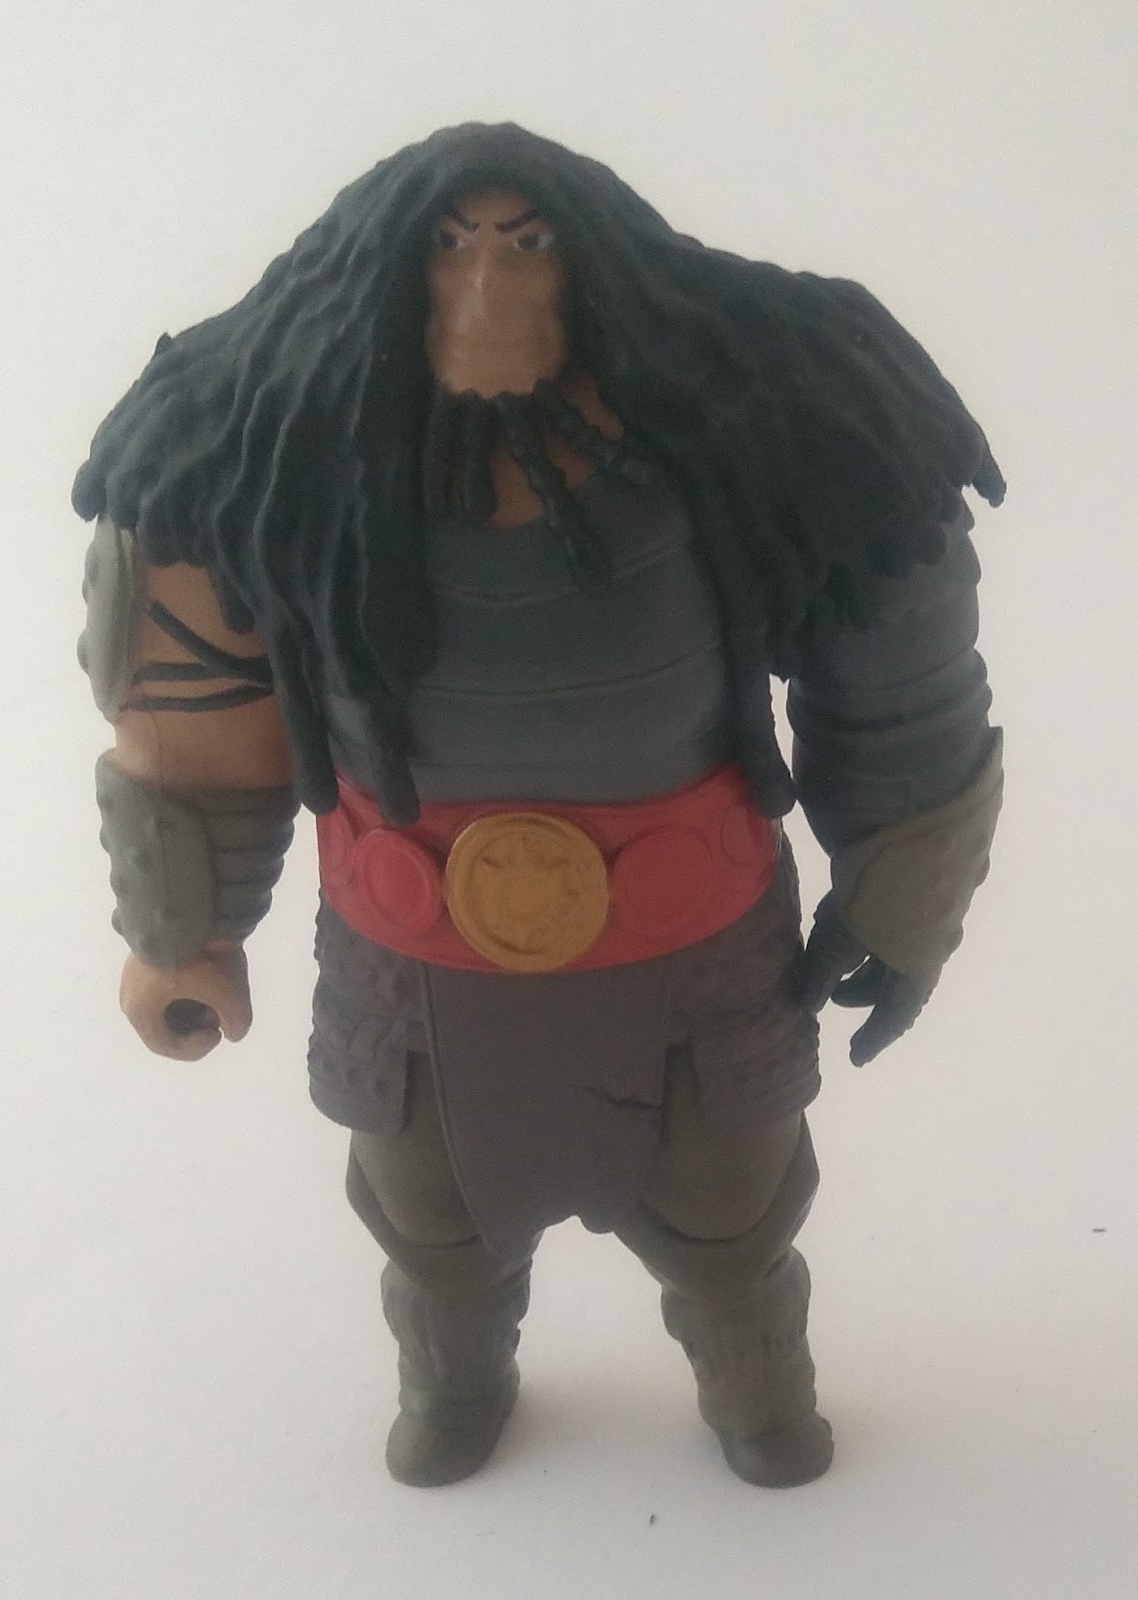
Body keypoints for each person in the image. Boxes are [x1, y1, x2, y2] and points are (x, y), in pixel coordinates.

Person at [74, 122, 1004, 1490]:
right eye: (450, 248)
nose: (487, 291)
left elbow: (895, 659)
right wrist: (181, 931)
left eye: (526, 246)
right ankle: (456, 1388)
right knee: (428, 1230)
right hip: (413, 962)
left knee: (733, 1222)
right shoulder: (272, 461)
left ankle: (756, 1394)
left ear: (590, 269)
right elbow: (202, 718)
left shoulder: (749, 432)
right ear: (391, 276)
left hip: (694, 947)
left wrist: (905, 883)